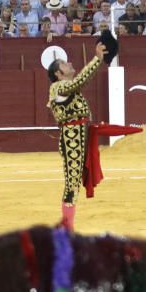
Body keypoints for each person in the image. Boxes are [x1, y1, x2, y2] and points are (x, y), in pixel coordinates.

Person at [46, 40, 107, 230]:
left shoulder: (67, 86)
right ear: (58, 73)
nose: (70, 64)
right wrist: (97, 59)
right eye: (64, 63)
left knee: (75, 181)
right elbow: (81, 81)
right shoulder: (57, 87)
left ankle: (68, 225)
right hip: (72, 137)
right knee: (72, 183)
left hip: (79, 135)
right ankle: (67, 227)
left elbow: (80, 83)